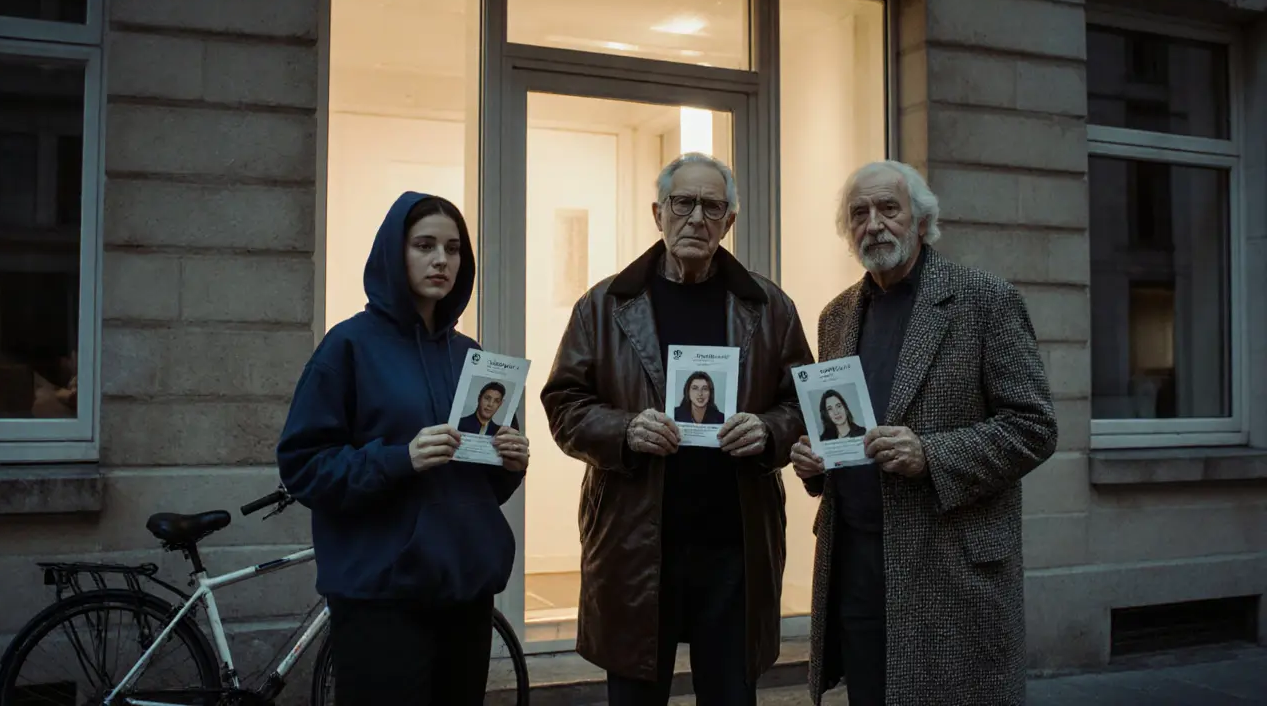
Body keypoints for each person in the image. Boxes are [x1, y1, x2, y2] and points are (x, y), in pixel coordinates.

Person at [541, 152, 814, 705]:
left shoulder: (769, 307)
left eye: (712, 206)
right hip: (635, 546)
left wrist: (767, 432)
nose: (696, 218)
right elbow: (563, 404)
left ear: (729, 221)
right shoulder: (605, 305)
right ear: (657, 213)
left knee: (731, 695)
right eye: (682, 203)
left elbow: (803, 404)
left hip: (734, 549)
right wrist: (623, 430)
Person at [790, 161, 1057, 706]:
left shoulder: (985, 300)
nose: (874, 224)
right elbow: (837, 427)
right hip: (856, 558)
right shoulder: (836, 315)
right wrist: (816, 462)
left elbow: (1034, 426)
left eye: (889, 209)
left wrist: (931, 454)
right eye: (859, 213)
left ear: (920, 219)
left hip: (949, 562)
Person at [277, 192, 530, 706]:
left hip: (465, 592)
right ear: (395, 252)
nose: (442, 260)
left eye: (454, 248)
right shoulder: (346, 347)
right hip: (380, 597)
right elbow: (303, 467)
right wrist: (400, 459)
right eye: (425, 245)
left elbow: (484, 485)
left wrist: (510, 461)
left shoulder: (473, 358)